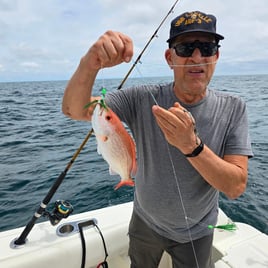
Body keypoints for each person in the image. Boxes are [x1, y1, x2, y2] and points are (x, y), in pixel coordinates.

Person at [62, 11, 253, 268]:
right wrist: (90, 64)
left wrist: (191, 146)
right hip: (145, 223)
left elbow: (235, 187)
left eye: (207, 47)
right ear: (169, 58)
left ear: (216, 56)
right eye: (185, 48)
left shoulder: (234, 108)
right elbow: (74, 110)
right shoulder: (141, 98)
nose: (196, 57)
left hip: (197, 232)